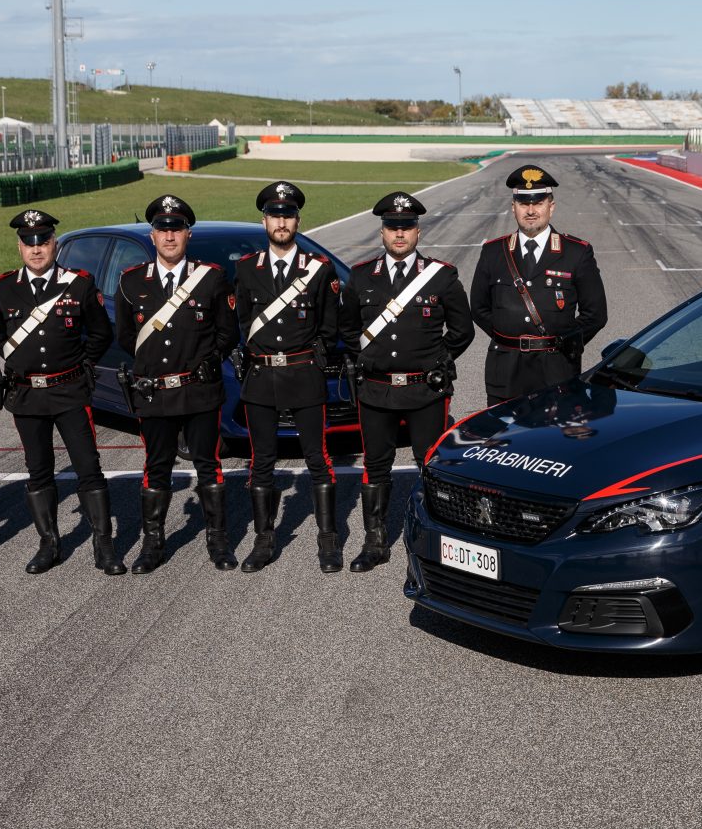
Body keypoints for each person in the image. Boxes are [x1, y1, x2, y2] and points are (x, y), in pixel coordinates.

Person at [341, 192, 473, 572]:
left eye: (407, 227)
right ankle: (375, 540)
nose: (400, 234)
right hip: (377, 389)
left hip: (424, 390)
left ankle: (435, 540)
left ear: (418, 230)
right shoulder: (362, 276)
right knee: (376, 464)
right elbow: (347, 328)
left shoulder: (442, 276)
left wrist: (436, 361)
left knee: (429, 465)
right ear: (382, 231)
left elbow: (461, 330)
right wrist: (368, 359)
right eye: (392, 227)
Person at [0, 209, 123, 576]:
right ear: (19, 246)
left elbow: (99, 334)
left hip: (69, 392)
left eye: (43, 241)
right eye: (29, 242)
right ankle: (49, 544)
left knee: (88, 468)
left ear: (54, 244)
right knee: (38, 471)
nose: (36, 249)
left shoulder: (77, 284)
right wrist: (22, 361)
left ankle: (103, 545)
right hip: (27, 395)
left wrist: (81, 364)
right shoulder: (3, 287)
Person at [114, 194, 237, 573]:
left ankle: (218, 542)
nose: (170, 237)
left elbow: (227, 332)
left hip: (199, 390)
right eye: (162, 229)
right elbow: (124, 336)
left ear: (187, 234)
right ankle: (153, 544)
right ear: (152, 236)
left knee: (208, 465)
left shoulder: (212, 277)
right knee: (157, 466)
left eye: (177, 229)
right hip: (155, 394)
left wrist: (201, 365)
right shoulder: (131, 282)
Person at [234, 181, 344, 573]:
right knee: (261, 460)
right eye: (275, 215)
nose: (281, 222)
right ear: (264, 220)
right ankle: (264, 540)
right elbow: (244, 323)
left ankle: (328, 540)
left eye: (288, 215)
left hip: (303, 375)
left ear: (297, 220)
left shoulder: (319, 269)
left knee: (318, 457)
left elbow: (329, 328)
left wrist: (313, 361)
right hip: (262, 378)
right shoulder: (247, 270)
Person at [469, 164, 608, 406]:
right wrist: (508, 338)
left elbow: (595, 314)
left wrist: (563, 344)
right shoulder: (493, 252)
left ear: (550, 207)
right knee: (504, 440)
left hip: (556, 371)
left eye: (538, 203)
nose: (531, 210)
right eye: (524, 204)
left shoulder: (576, 252)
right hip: (506, 371)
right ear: (513, 208)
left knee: (553, 442)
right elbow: (479, 307)